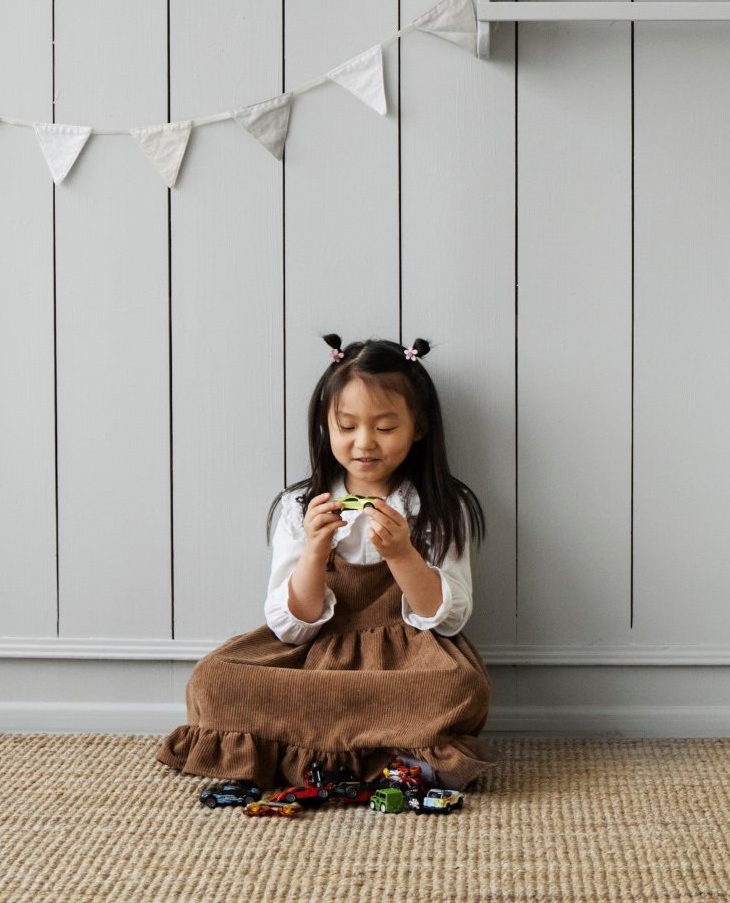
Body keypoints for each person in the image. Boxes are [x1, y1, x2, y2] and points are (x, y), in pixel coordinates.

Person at [155, 333, 494, 791]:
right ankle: (378, 752)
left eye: (385, 427)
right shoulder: (300, 506)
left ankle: (326, 750)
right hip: (313, 657)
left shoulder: (438, 508)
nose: (364, 443)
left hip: (405, 664)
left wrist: (402, 553)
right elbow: (292, 626)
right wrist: (315, 551)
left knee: (459, 690)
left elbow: (447, 620)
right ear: (324, 426)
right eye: (347, 426)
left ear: (419, 427)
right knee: (213, 680)